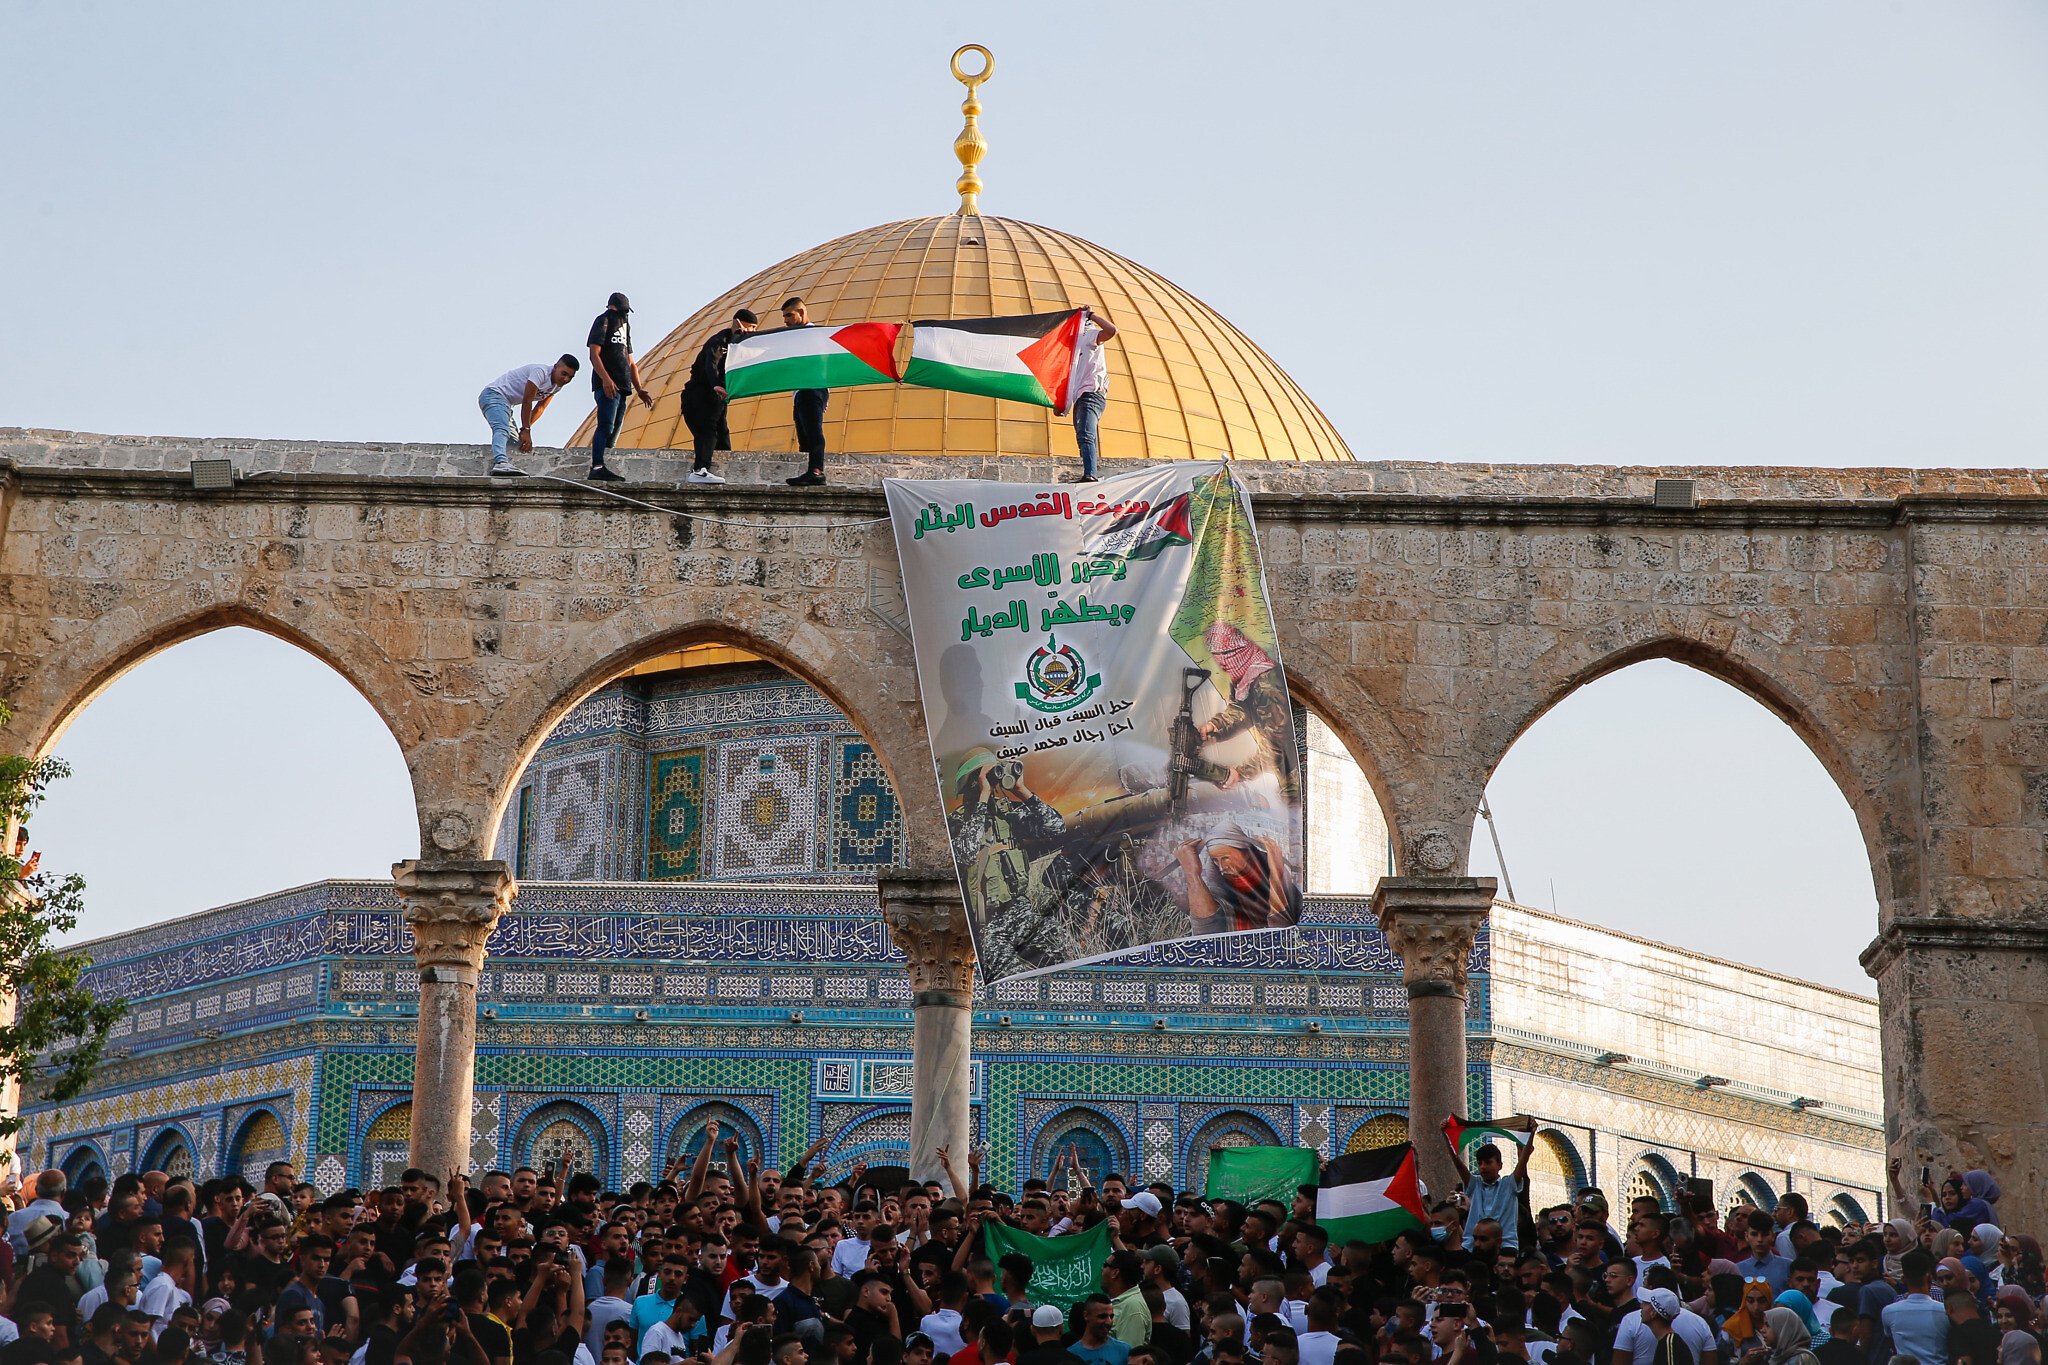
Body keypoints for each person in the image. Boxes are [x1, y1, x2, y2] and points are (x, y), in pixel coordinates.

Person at [680, 309, 760, 485]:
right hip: (700, 395)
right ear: (738, 324)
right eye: (751, 326)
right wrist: (716, 383)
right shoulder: (720, 341)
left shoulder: (738, 343)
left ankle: (725, 470)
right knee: (708, 431)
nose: (752, 331)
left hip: (717, 397)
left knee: (722, 432)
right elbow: (711, 363)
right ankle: (699, 470)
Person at [586, 291, 653, 484]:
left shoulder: (625, 326)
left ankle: (606, 461)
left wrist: (639, 388)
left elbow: (631, 361)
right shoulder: (603, 321)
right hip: (608, 385)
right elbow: (594, 355)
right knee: (605, 425)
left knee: (614, 429)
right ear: (614, 307)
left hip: (623, 387)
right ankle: (597, 467)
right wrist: (606, 380)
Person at [480, 357, 580, 477]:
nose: (566, 379)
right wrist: (526, 430)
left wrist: (524, 430)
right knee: (502, 429)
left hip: (506, 404)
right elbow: (527, 400)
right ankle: (501, 462)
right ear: (555, 367)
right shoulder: (540, 372)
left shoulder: (557, 386)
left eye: (570, 377)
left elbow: (540, 408)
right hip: (493, 395)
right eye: (564, 374)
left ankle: (508, 466)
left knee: (515, 442)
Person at [1061, 308, 1119, 483]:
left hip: (1091, 395)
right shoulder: (1074, 350)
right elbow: (1073, 379)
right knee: (1083, 435)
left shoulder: (1089, 335)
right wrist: (1064, 405)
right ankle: (1089, 472)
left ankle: (1090, 474)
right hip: (1081, 396)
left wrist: (1091, 316)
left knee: (1086, 434)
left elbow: (1112, 331)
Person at [779, 298, 830, 487]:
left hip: (811, 389)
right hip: (802, 391)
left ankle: (816, 470)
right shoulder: (796, 336)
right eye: (784, 317)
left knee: (813, 431)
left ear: (801, 312)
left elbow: (822, 364)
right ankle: (809, 472)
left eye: (789, 315)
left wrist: (822, 394)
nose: (786, 321)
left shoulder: (813, 335)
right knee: (804, 436)